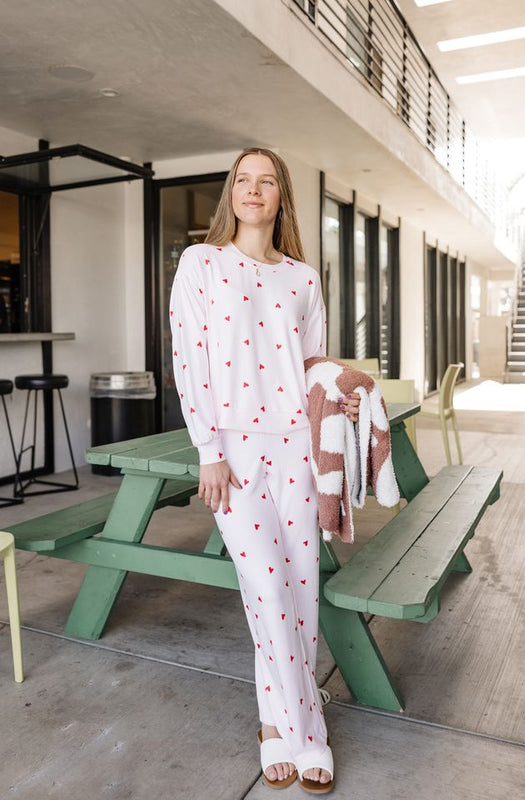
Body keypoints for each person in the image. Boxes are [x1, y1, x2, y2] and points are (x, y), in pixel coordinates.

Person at [169, 147, 359, 794]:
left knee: (296, 594)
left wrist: (342, 395)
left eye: (266, 181)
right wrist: (208, 451)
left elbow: (313, 370)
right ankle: (309, 734)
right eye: (242, 180)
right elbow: (187, 360)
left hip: (297, 452)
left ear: (281, 197)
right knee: (269, 590)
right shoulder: (201, 263)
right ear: (231, 194)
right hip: (234, 454)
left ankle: (272, 724)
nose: (253, 190)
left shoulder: (303, 279)